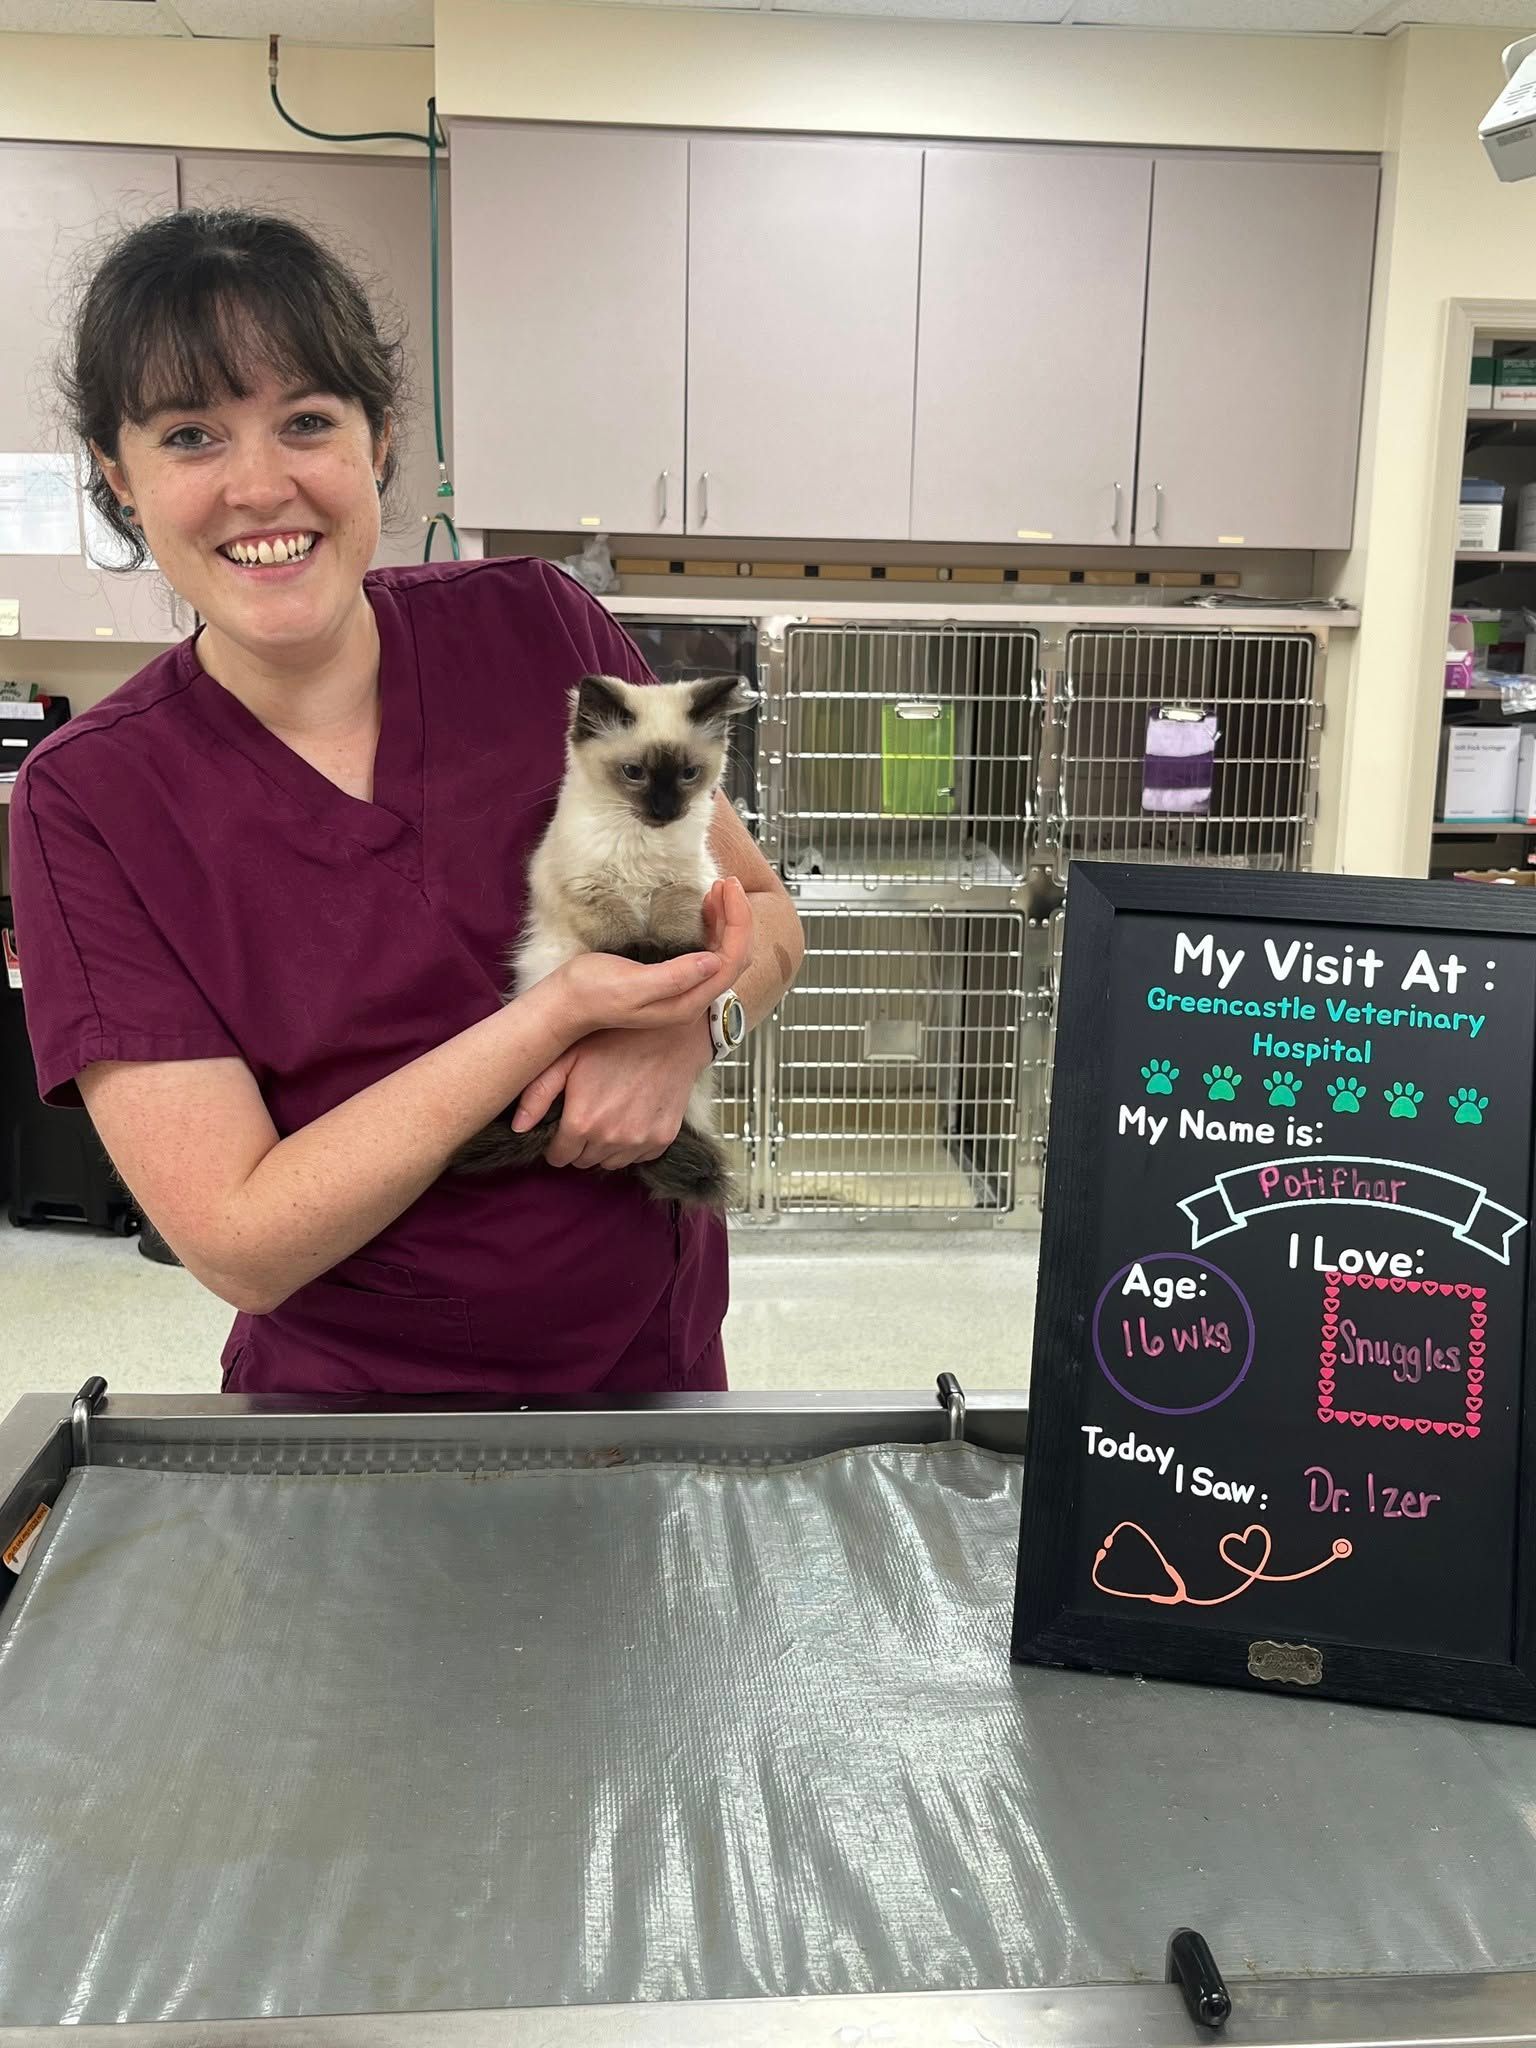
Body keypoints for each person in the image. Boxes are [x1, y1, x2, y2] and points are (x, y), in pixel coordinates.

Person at [8, 209, 804, 1398]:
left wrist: (690, 1028)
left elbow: (767, 918)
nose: (260, 485)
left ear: (378, 441)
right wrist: (551, 1021)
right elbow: (238, 1241)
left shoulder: (540, 631)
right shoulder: (91, 799)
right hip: (347, 1422)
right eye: (190, 435)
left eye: (308, 421)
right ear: (120, 481)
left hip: (658, 1371)